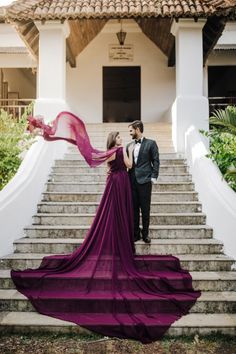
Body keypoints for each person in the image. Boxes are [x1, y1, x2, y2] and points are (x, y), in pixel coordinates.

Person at [11, 111, 201, 344]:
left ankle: (120, 237)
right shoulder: (121, 151)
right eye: (120, 138)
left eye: (124, 137)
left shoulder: (110, 153)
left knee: (112, 214)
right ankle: (123, 239)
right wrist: (128, 152)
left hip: (114, 183)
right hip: (121, 183)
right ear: (115, 141)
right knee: (121, 214)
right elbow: (129, 166)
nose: (123, 138)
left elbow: (102, 163)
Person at [127, 120, 159, 244]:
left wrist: (153, 177)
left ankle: (145, 234)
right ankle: (136, 234)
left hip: (145, 181)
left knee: (145, 209)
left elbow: (156, 160)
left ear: (138, 129)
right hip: (132, 181)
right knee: (134, 209)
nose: (130, 133)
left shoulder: (151, 143)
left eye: (131, 130)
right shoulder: (129, 146)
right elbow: (128, 164)